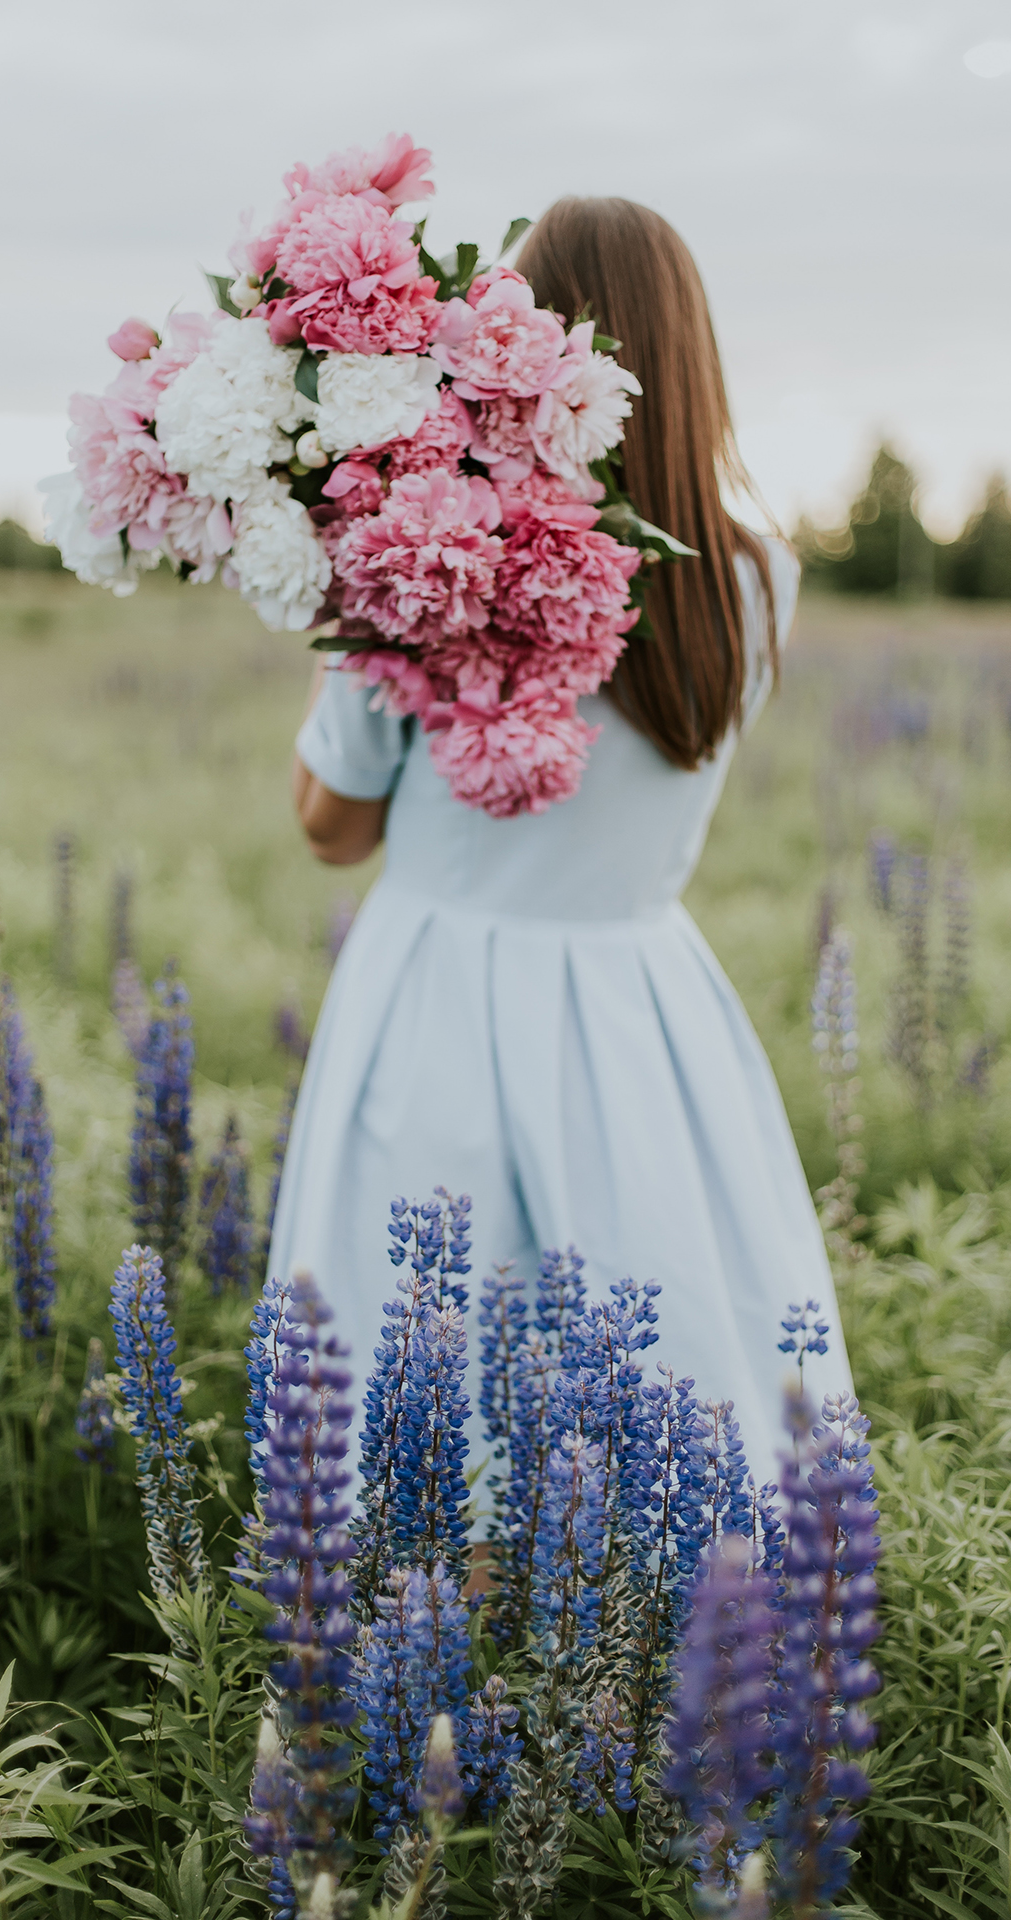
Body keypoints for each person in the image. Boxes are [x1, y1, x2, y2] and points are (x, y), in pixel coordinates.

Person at [268, 196, 851, 1489]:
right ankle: (652, 1679)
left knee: (425, 1440)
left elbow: (329, 827)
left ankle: (410, 1680)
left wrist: (345, 601)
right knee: (659, 1414)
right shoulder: (754, 576)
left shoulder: (442, 546)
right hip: (643, 1012)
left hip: (437, 1003)